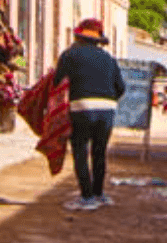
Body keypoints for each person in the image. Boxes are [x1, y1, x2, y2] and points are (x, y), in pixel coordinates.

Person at [54, 17, 126, 211]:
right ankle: (99, 193)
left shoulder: (69, 55)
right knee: (99, 152)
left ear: (79, 37)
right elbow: (121, 87)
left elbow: (57, 82)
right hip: (107, 110)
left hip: (81, 107)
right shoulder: (109, 59)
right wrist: (107, 100)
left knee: (80, 151)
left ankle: (86, 197)